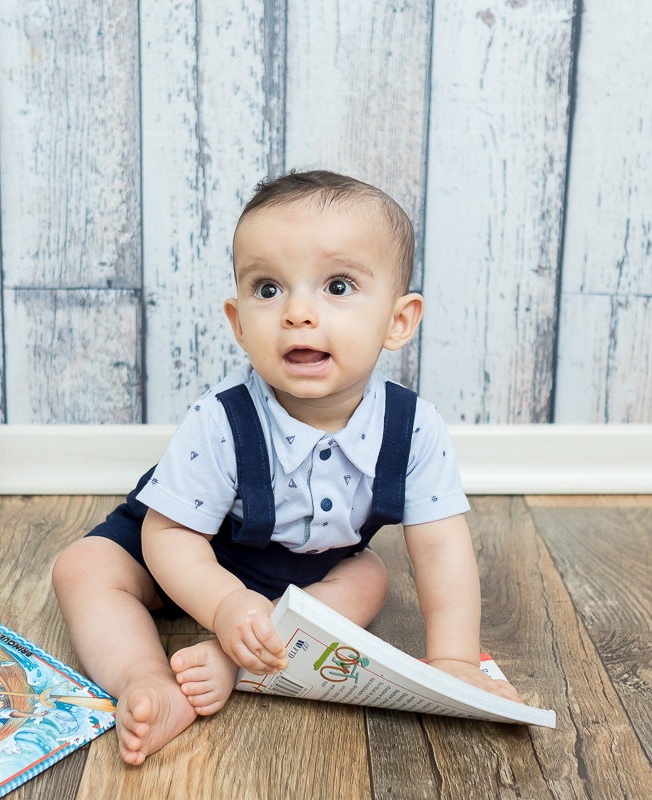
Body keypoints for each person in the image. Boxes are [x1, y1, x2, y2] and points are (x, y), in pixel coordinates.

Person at [52, 170, 521, 766]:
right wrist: (223, 605)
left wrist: (454, 659)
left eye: (339, 286)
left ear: (398, 321)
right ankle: (148, 681)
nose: (298, 312)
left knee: (369, 576)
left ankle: (236, 660)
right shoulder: (222, 419)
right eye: (268, 289)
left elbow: (442, 547)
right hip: (181, 550)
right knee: (84, 566)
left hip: (296, 581)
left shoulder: (413, 428)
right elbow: (168, 535)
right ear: (239, 321)